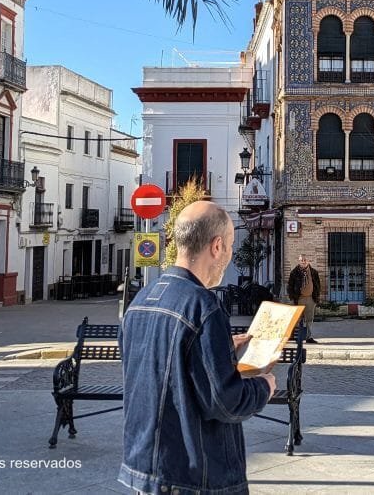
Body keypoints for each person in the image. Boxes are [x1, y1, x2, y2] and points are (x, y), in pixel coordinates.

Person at [118, 201, 276, 495]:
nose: (229, 255)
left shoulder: (140, 301)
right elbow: (225, 401)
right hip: (194, 477)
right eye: (229, 246)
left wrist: (222, 347)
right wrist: (264, 386)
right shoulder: (203, 307)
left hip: (143, 469)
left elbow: (159, 366)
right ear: (217, 246)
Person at [287, 254, 321, 344]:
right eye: (302, 260)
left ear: (308, 261)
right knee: (296, 318)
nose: (303, 261)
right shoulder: (294, 272)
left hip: (310, 299)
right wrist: (292, 297)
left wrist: (316, 296)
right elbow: (290, 286)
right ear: (299, 261)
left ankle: (309, 337)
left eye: (305, 260)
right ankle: (292, 336)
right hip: (299, 298)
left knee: (310, 319)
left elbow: (318, 285)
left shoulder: (314, 272)